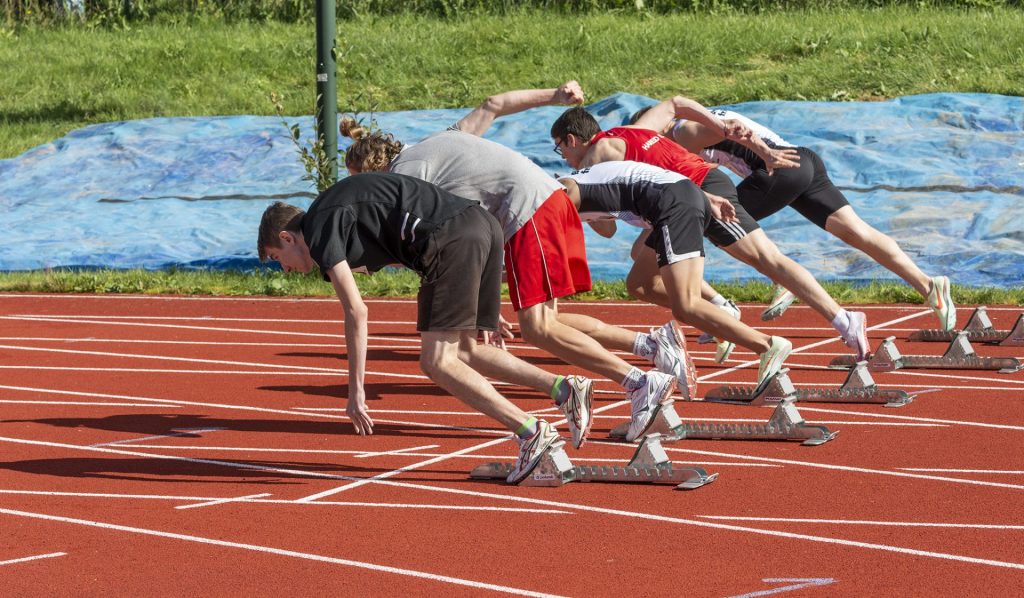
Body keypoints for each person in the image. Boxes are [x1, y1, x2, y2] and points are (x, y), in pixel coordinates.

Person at [341, 82, 693, 442]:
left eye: (361, 185)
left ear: (374, 170)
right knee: (544, 322)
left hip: (529, 211)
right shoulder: (439, 140)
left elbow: (440, 240)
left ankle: (640, 383)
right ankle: (649, 371)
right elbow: (493, 105)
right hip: (545, 203)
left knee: (538, 327)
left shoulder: (405, 180)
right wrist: (555, 95)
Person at [257, 172, 594, 483]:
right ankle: (564, 389)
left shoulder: (319, 228)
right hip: (481, 227)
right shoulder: (337, 213)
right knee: (467, 350)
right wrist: (469, 289)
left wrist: (355, 391)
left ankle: (532, 432)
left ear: (287, 237)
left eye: (276, 258)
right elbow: (394, 234)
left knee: (436, 361)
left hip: (449, 241)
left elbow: (357, 312)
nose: (284, 270)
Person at [547, 96, 871, 361]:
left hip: (700, 192)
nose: (562, 157)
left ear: (572, 140)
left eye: (559, 148)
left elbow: (608, 229)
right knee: (640, 282)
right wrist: (719, 125)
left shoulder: (595, 163)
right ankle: (720, 311)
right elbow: (675, 102)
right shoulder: (632, 129)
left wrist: (577, 203)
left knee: (766, 259)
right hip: (678, 205)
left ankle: (843, 320)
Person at [628, 104, 957, 331]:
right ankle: (929, 285)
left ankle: (780, 282)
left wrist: (764, 154)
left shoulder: (684, 131)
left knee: (719, 224)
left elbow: (726, 137)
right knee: (858, 232)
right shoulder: (693, 122)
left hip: (778, 169)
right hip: (803, 160)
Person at [559, 160, 792, 393]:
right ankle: (716, 317)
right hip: (675, 200)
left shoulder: (563, 194)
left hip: (672, 205)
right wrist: (705, 196)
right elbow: (608, 228)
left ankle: (766, 345)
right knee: (640, 284)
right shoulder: (576, 186)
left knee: (686, 305)